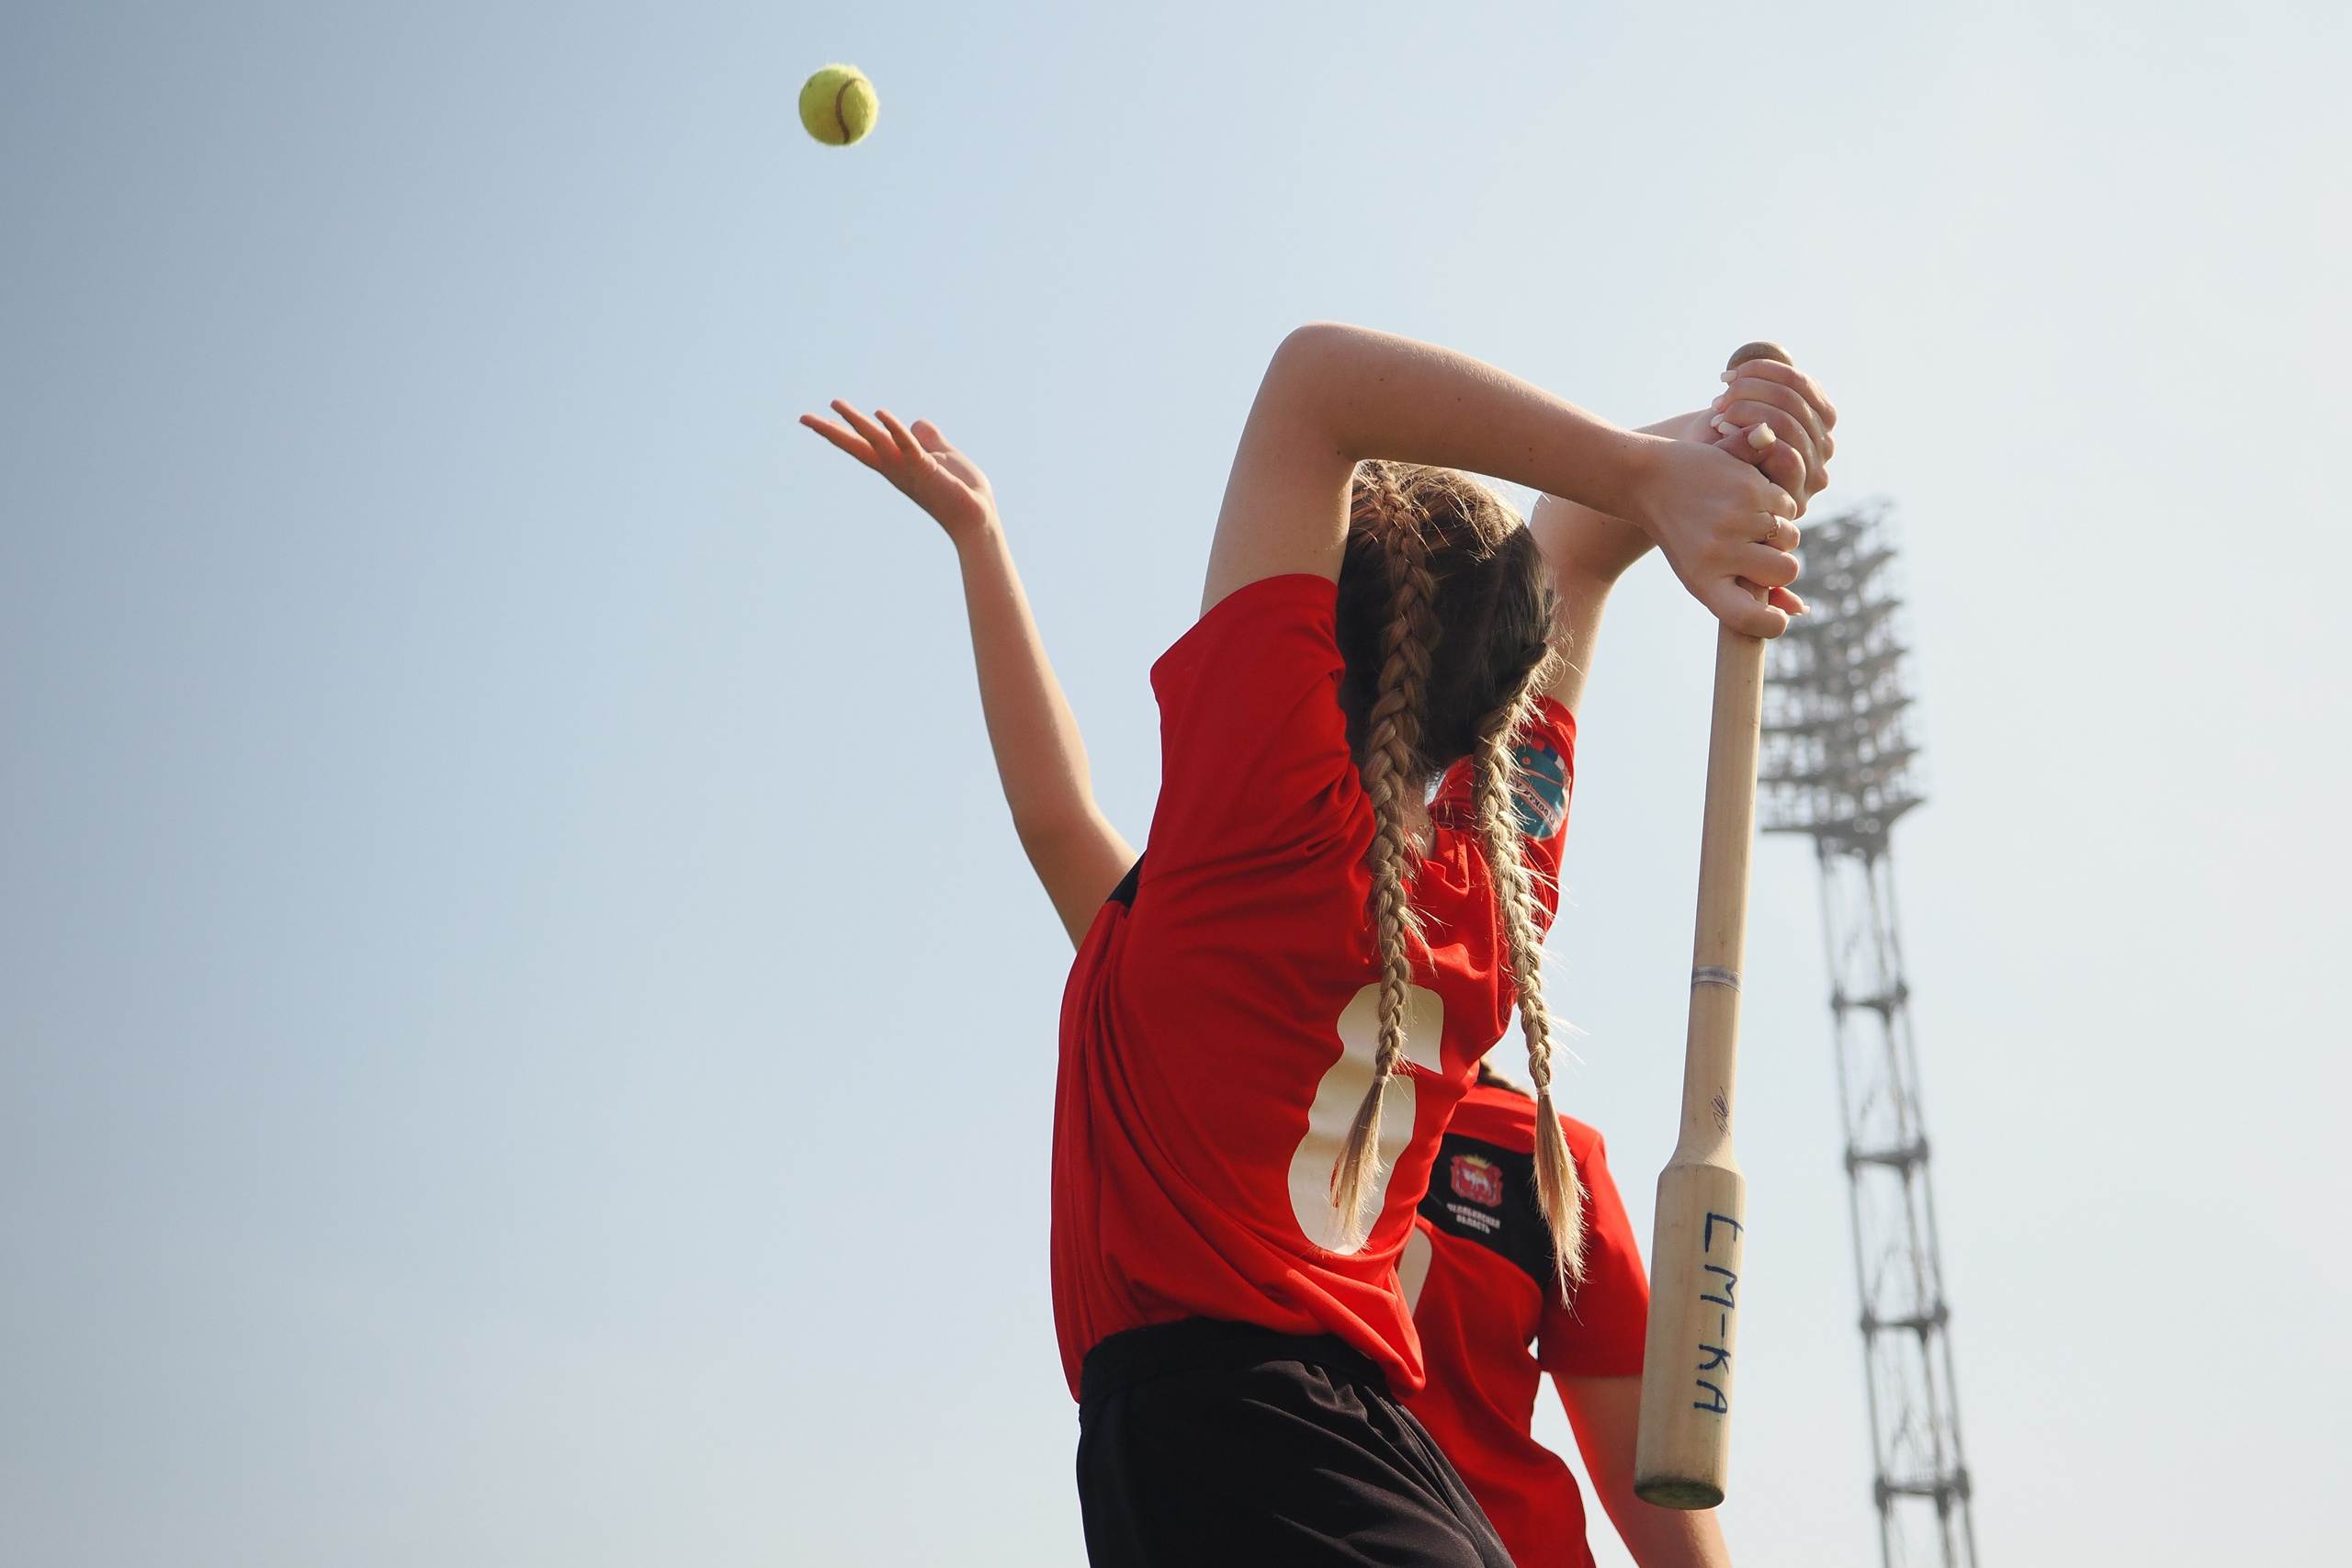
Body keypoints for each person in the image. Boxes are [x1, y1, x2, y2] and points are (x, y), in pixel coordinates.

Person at [802, 324, 1835, 1566]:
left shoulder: (1247, 853)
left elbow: (1320, 389)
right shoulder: (1482, 903)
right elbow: (1579, 542)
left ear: (1310, 647)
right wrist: (1715, 452)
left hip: (1237, 1452)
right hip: (1364, 1455)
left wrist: (1671, 468)